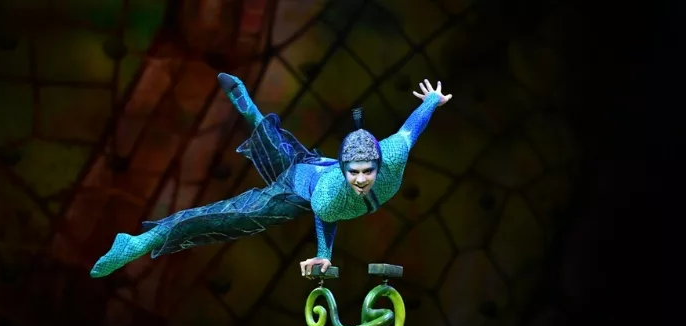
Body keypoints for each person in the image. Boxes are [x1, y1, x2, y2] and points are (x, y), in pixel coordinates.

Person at [90, 73, 452, 279]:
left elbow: (410, 129)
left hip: (310, 166)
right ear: (344, 169)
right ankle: (140, 241)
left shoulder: (393, 155)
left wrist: (431, 100)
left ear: (379, 163)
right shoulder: (332, 194)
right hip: (295, 190)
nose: (360, 181)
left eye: (366, 172)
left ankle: (250, 110)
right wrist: (324, 253)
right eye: (353, 173)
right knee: (230, 216)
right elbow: (328, 215)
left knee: (274, 146)